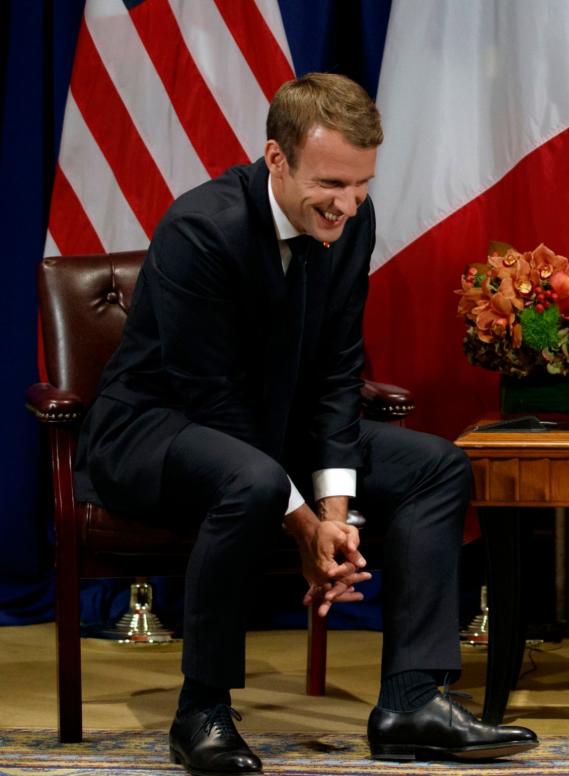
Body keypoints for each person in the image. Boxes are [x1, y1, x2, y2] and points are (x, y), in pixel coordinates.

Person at [75, 73, 538, 775]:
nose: (348, 206)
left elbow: (333, 374)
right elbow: (212, 403)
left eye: (362, 185)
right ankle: (201, 711)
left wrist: (337, 513)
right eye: (331, 183)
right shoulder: (201, 229)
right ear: (276, 158)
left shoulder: (350, 224)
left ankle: (411, 700)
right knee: (252, 478)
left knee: (436, 465)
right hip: (155, 432)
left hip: (269, 431)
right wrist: (304, 526)